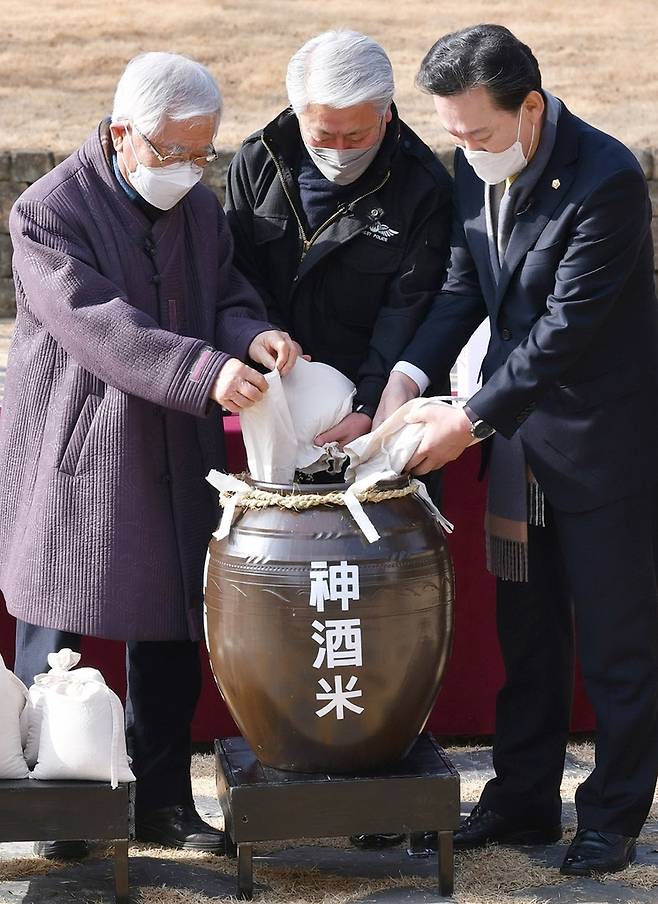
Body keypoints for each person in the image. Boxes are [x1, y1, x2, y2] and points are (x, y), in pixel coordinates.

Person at [375, 24, 658, 876]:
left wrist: (468, 420)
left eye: (481, 134)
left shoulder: (607, 181)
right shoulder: (474, 163)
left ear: (530, 108)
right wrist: (407, 373)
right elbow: (468, 283)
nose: (465, 150)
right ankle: (523, 800)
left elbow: (565, 333)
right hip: (515, 445)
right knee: (526, 633)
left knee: (616, 642)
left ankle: (612, 816)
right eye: (453, 135)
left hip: (600, 444)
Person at [1, 51, 299, 859]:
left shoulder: (198, 209)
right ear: (123, 132)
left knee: (170, 629)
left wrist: (252, 334)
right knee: (56, 626)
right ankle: (57, 813)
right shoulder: (48, 209)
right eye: (174, 152)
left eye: (204, 153)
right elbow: (94, 322)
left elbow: (226, 292)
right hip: (77, 445)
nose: (189, 170)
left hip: (176, 443)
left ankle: (164, 804)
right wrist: (207, 370)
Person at [225, 29, 453, 453]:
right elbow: (236, 274)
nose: (340, 150)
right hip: (274, 398)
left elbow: (409, 306)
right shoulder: (259, 161)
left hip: (380, 409)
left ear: (386, 114)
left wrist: (369, 403)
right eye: (323, 137)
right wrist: (261, 334)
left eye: (357, 136)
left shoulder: (423, 188)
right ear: (297, 114)